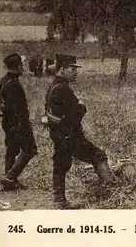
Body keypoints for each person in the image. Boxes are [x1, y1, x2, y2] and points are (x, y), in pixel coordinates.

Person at [44, 54, 114, 209]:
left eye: (76, 69)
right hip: (70, 136)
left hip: (59, 135)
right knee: (99, 155)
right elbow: (74, 117)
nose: (76, 72)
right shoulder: (63, 89)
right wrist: (81, 106)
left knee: (60, 164)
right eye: (72, 69)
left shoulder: (53, 86)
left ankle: (59, 200)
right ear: (62, 70)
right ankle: (110, 190)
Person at [0, 53, 38, 191]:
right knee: (30, 150)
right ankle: (10, 177)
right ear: (17, 66)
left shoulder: (3, 81)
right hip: (18, 124)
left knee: (12, 150)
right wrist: (22, 125)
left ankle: (10, 182)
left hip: (8, 123)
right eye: (22, 65)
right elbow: (14, 109)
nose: (23, 67)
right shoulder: (13, 85)